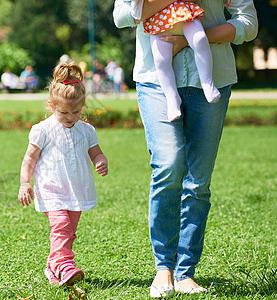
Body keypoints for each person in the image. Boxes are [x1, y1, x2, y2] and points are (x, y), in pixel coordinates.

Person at [113, 0, 257, 298]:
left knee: (198, 181)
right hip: (155, 80)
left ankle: (185, 272)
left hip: (213, 77)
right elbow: (121, 15)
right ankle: (163, 268)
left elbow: (248, 22)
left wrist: (193, 36)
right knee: (168, 164)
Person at [18, 62, 108, 287]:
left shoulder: (86, 130)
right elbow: (30, 158)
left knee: (69, 232)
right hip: (52, 190)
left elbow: (96, 152)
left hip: (76, 190)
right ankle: (65, 265)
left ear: (83, 107)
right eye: (63, 112)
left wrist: (101, 161)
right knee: (61, 227)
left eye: (76, 112)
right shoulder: (43, 130)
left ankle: (53, 266)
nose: (70, 116)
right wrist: (24, 183)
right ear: (51, 105)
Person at [136, 1, 222, 121]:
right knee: (160, 60)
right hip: (159, 20)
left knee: (200, 39)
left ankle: (207, 83)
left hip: (183, 13)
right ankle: (172, 98)